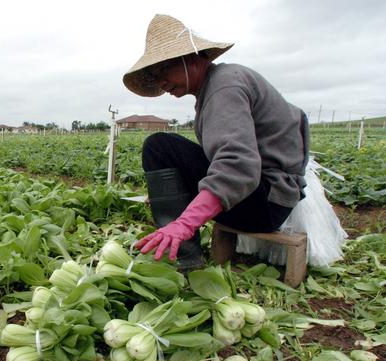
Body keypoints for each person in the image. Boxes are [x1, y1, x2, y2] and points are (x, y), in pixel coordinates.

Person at [123, 14, 309, 270]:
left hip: (264, 205)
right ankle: (181, 249)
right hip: (266, 198)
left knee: (160, 146)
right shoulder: (219, 85)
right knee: (166, 150)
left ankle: (184, 257)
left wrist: (184, 223)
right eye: (155, 75)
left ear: (191, 58)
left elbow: (238, 166)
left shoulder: (224, 86)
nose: (161, 82)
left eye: (163, 70)